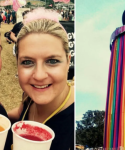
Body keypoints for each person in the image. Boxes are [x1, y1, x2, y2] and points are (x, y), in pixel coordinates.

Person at [5, 8, 74, 150]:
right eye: (27, 62)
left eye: (53, 61)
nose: (39, 75)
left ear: (68, 62)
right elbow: (19, 113)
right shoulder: (30, 96)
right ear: (17, 64)